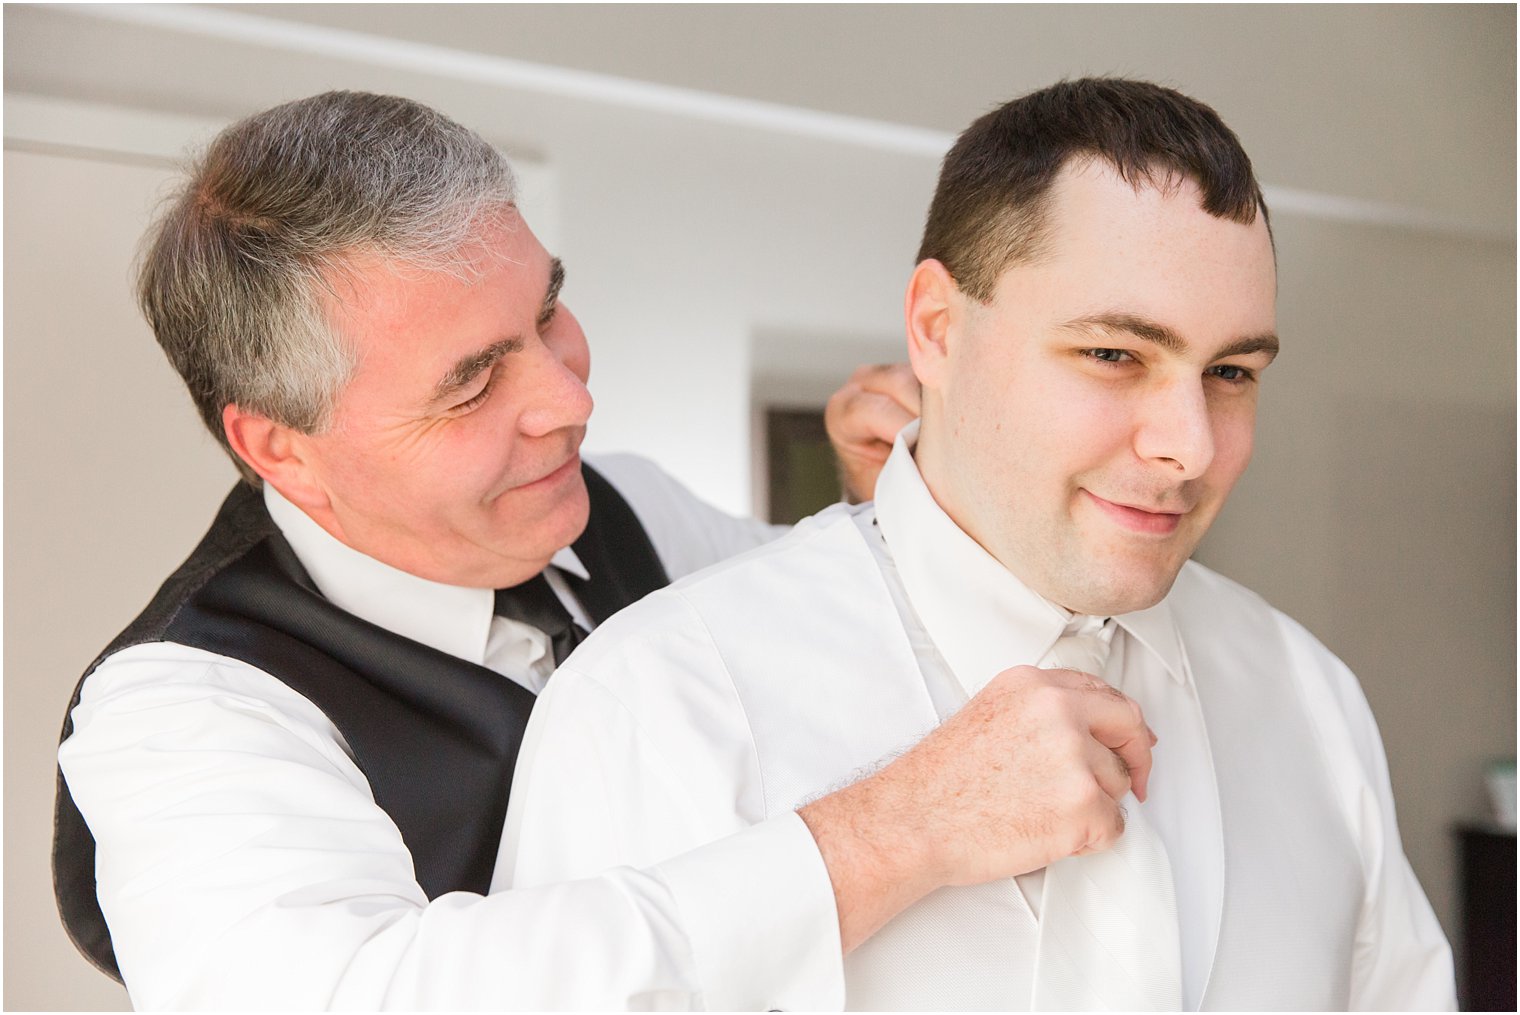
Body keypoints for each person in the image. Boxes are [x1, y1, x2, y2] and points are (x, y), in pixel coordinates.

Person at [49, 91, 1116, 1010]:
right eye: (470, 382)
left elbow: (808, 631)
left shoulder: (625, 508)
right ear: (279, 445)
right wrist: (891, 836)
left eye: (548, 310)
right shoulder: (183, 711)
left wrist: (868, 502)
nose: (569, 400)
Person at [500, 78, 1457, 1010]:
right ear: (937, 328)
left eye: (1233, 371)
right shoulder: (661, 705)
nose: (1191, 445)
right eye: (1115, 354)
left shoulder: (1311, 699)